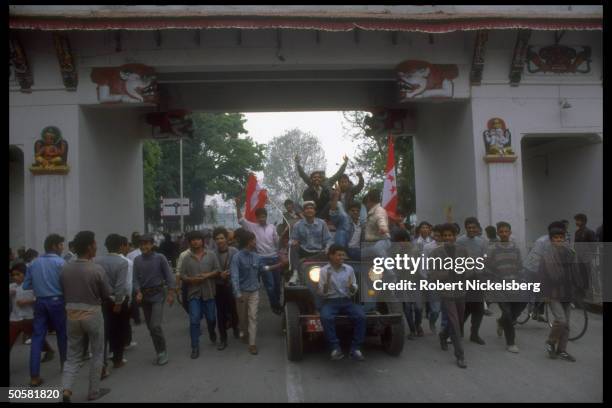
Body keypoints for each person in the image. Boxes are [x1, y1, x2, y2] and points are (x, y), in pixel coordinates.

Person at [60, 231, 112, 402]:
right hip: (92, 314)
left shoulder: (65, 268)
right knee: (96, 353)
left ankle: (66, 390)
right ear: (90, 247)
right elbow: (106, 293)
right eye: (95, 244)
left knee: (73, 355)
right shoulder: (96, 269)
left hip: (71, 315)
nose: (96, 246)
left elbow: (63, 290)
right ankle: (93, 392)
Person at [22, 233, 67, 387]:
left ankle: (34, 376)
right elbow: (66, 284)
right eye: (61, 245)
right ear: (54, 246)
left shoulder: (34, 263)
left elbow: (26, 285)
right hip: (58, 301)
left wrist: (40, 285)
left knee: (37, 337)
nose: (62, 247)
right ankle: (64, 366)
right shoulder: (61, 263)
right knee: (62, 334)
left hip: (40, 302)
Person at [539, 226, 587, 362]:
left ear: (565, 238)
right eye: (556, 238)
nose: (559, 240)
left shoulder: (570, 253)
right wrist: (545, 294)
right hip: (553, 294)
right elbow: (542, 277)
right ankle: (550, 341)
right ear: (551, 240)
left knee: (566, 326)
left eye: (561, 237)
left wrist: (579, 288)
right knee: (561, 320)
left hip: (568, 292)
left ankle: (562, 350)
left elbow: (576, 272)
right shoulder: (546, 256)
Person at [428, 223, 471, 368]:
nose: (448, 238)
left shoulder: (463, 251)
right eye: (445, 236)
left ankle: (443, 334)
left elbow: (469, 269)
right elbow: (432, 274)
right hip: (446, 291)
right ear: (441, 237)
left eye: (450, 235)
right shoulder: (435, 253)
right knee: (454, 321)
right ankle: (460, 355)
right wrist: (448, 272)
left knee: (458, 320)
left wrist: (463, 272)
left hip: (461, 290)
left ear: (455, 236)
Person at [132, 233, 176, 366]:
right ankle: (159, 350)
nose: (143, 246)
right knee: (151, 328)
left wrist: (170, 293)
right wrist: (138, 291)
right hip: (145, 297)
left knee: (155, 325)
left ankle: (162, 352)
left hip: (158, 295)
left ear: (152, 244)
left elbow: (169, 276)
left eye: (146, 243)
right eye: (141, 244)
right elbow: (135, 279)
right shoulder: (137, 260)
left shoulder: (160, 258)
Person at [317, 244, 366, 361]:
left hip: (347, 301)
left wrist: (351, 287)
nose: (341, 257)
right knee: (326, 317)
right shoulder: (324, 271)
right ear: (331, 256)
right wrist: (326, 285)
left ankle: (355, 349)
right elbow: (321, 293)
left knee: (361, 317)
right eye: (339, 255)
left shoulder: (349, 269)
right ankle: (335, 348)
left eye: (343, 255)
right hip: (331, 301)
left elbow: (354, 288)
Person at [235, 198, 282, 315]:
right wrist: (237, 205)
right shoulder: (252, 227)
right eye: (260, 217)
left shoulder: (272, 227)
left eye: (264, 216)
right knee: (270, 285)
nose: (262, 218)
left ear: (266, 216)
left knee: (277, 285)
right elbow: (241, 220)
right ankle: (275, 305)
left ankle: (276, 301)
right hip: (261, 259)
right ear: (256, 218)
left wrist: (282, 247)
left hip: (275, 258)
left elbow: (277, 242)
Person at [179, 230, 221, 358]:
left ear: (202, 241)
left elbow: (218, 270)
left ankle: (211, 331)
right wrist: (191, 280)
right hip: (194, 294)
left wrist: (207, 275)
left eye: (198, 239)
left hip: (209, 292)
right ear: (189, 242)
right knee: (194, 320)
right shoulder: (186, 258)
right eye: (192, 240)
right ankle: (195, 347)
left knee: (211, 318)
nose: (195, 241)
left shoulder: (211, 255)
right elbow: (182, 275)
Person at [485, 222, 526, 353]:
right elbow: (486, 266)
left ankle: (501, 322)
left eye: (506, 231)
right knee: (507, 313)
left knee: (520, 306)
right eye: (501, 231)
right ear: (497, 233)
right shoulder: (492, 249)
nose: (503, 234)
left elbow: (520, 266)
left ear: (510, 232)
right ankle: (511, 342)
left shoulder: (515, 248)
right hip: (499, 286)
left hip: (515, 284)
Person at [94, 234, 129, 371]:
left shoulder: (97, 261)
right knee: (118, 331)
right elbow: (120, 285)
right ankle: (117, 359)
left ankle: (102, 363)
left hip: (102, 300)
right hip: (116, 300)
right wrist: (119, 303)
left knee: (104, 332)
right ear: (121, 246)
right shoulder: (122, 262)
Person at [9, 263, 55, 361]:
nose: (15, 277)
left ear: (25, 275)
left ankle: (49, 350)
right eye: (13, 275)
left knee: (37, 338)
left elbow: (40, 297)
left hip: (29, 318)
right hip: (15, 319)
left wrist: (27, 301)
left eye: (18, 274)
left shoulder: (32, 285)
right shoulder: (12, 286)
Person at [230, 231, 264, 355]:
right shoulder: (237, 257)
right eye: (254, 240)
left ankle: (252, 343)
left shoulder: (257, 256)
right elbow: (234, 276)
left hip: (254, 291)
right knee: (242, 318)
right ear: (248, 242)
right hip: (242, 293)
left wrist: (277, 266)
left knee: (253, 316)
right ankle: (244, 331)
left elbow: (262, 269)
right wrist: (237, 293)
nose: (255, 242)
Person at [456, 217, 487, 345]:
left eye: (474, 227)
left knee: (479, 309)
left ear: (477, 228)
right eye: (469, 227)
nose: (472, 230)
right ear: (466, 228)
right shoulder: (460, 241)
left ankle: (474, 334)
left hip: (478, 278)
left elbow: (485, 257)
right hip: (464, 278)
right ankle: (459, 331)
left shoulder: (482, 242)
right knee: (465, 308)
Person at [295, 154, 348, 219]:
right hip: (311, 211)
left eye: (319, 176)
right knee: (295, 204)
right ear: (311, 179)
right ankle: (305, 219)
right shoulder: (310, 187)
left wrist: (345, 163)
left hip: (324, 212)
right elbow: (303, 174)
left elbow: (338, 174)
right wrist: (297, 163)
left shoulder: (328, 183)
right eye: (315, 177)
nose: (317, 178)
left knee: (336, 203)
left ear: (322, 178)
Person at [289, 201, 332, 281]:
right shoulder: (298, 225)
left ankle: (330, 276)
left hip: (319, 252)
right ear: (303, 212)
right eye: (307, 209)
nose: (309, 210)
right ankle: (295, 273)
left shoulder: (322, 223)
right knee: (293, 247)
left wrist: (328, 247)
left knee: (332, 251)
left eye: (311, 208)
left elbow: (328, 239)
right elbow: (291, 240)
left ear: (315, 211)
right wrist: (293, 242)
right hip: (304, 250)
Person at [213, 227, 241, 348]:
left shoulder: (234, 251)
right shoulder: (211, 253)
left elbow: (239, 265)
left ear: (226, 239)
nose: (220, 240)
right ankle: (223, 338)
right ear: (215, 240)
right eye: (217, 238)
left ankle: (235, 327)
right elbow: (209, 269)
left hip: (232, 286)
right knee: (220, 313)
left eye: (222, 238)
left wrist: (230, 273)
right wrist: (219, 274)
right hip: (218, 287)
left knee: (234, 310)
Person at [394, 229, 423, 339]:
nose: (399, 244)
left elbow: (411, 265)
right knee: (407, 308)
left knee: (418, 308)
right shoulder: (398, 252)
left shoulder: (415, 250)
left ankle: (417, 325)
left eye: (400, 241)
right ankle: (412, 330)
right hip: (403, 282)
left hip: (416, 282)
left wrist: (400, 264)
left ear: (406, 240)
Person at [422, 225, 443, 334]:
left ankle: (445, 331)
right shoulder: (428, 247)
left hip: (445, 281)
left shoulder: (447, 246)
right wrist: (425, 278)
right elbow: (424, 263)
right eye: (435, 235)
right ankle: (432, 320)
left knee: (445, 309)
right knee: (435, 309)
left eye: (439, 235)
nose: (437, 237)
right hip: (432, 280)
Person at [117, 236, 137, 350]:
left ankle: (113, 347)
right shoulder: (128, 262)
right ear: (122, 246)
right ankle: (125, 343)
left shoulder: (100, 261)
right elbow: (129, 283)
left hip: (108, 297)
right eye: (127, 246)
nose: (128, 248)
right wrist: (130, 298)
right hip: (123, 296)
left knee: (112, 323)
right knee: (124, 321)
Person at [361, 189, 391, 260]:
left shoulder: (378, 211)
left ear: (368, 199)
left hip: (383, 241)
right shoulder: (372, 212)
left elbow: (381, 221)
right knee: (361, 254)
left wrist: (383, 228)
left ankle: (390, 270)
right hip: (372, 243)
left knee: (377, 249)